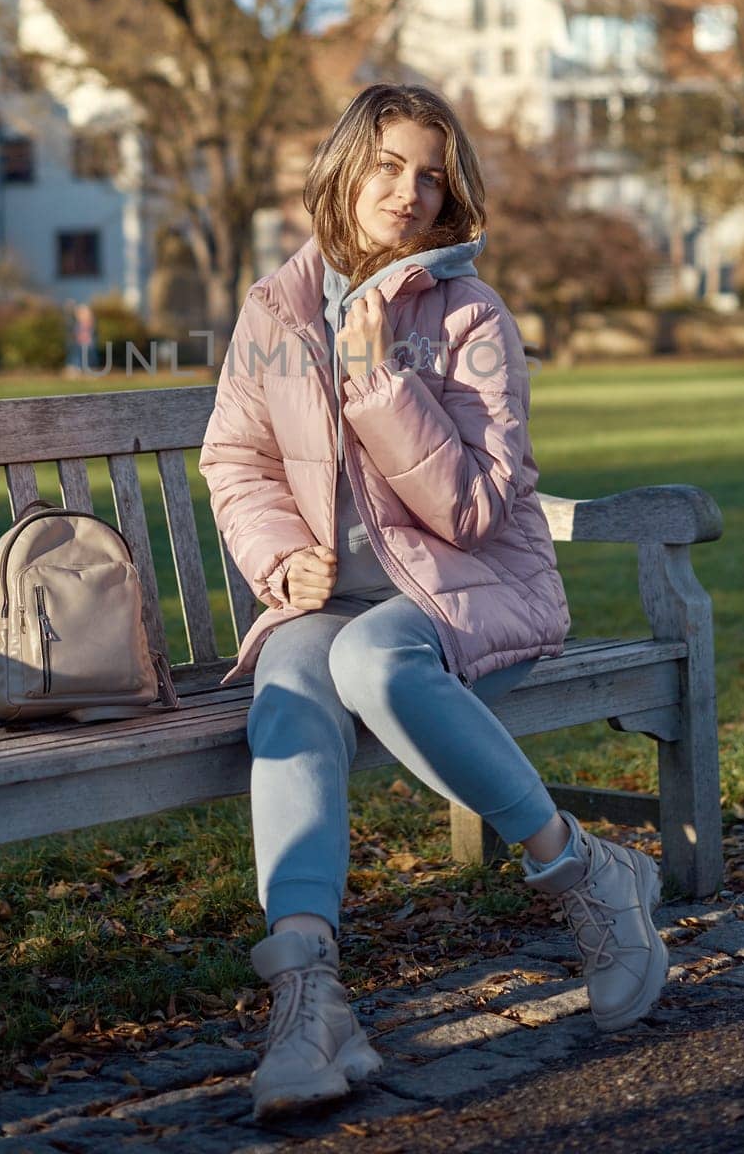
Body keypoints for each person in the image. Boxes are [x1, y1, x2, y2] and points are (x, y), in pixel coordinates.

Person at [198, 85, 667, 1123]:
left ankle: (582, 874)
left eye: (430, 175)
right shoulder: (274, 310)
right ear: (342, 168)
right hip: (329, 599)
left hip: (461, 589)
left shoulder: (471, 315)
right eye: (387, 166)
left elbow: (474, 509)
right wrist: (281, 562)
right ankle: (310, 997)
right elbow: (236, 458)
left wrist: (378, 382)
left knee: (370, 659)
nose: (407, 193)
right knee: (287, 679)